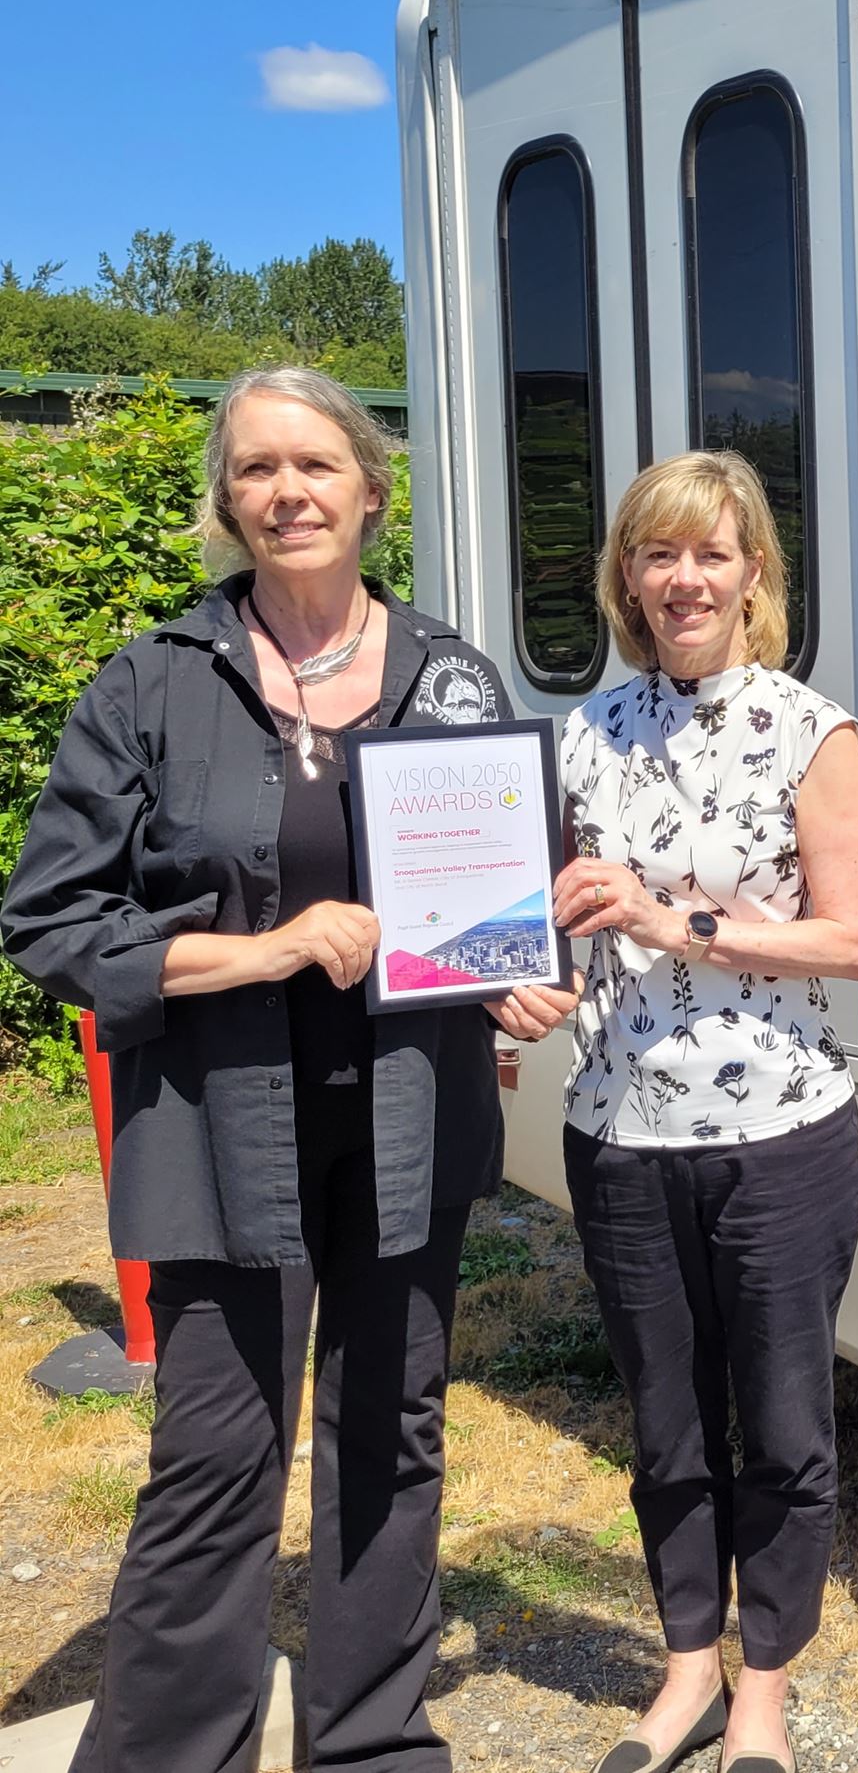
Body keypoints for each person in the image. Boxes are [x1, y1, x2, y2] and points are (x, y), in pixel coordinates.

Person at [1, 365, 514, 1771]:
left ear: (369, 486)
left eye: (314, 464)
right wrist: (270, 949)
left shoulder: (449, 671)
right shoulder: (154, 681)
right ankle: (172, 1751)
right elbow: (50, 920)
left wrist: (514, 969)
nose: (287, 491)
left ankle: (370, 1737)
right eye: (256, 470)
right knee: (215, 1457)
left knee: (389, 1438)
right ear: (230, 500)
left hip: (410, 1119)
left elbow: (500, 878)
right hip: (218, 1134)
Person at [488, 449, 858, 1773]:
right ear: (629, 578)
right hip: (619, 1136)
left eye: (711, 553)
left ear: (754, 573)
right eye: (659, 555)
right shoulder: (579, 736)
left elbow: (857, 939)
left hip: (780, 1140)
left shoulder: (810, 729)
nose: (683, 579)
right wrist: (507, 999)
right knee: (664, 1427)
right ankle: (685, 1670)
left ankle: (762, 1690)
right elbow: (527, 929)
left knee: (779, 1424)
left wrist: (678, 920)